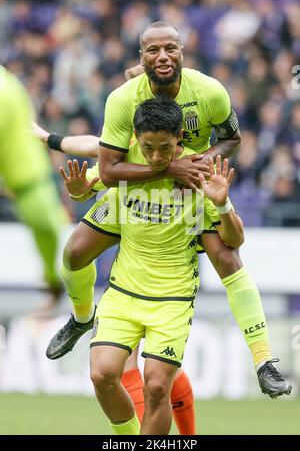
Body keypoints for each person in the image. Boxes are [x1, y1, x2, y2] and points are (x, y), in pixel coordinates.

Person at [42, 21, 292, 399]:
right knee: (75, 252)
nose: (162, 57)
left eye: (170, 49)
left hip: (189, 187)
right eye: (153, 50)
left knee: (228, 259)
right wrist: (165, 167)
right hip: (138, 186)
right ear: (140, 57)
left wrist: (201, 164)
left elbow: (232, 139)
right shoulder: (123, 98)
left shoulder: (209, 92)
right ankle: (81, 319)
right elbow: (109, 166)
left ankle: (263, 361)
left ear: (182, 52)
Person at [88, 96, 244, 434]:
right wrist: (77, 190)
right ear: (136, 137)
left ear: (179, 139)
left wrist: (224, 204)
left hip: (172, 300)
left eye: (164, 149)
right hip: (123, 293)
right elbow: (93, 175)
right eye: (148, 148)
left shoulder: (198, 175)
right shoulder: (125, 173)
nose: (156, 157)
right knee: (102, 374)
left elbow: (235, 240)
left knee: (157, 386)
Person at [0, 66, 66, 306]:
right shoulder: (9, 86)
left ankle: (53, 282)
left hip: (25, 178)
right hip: (25, 178)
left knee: (47, 227)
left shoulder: (7, 88)